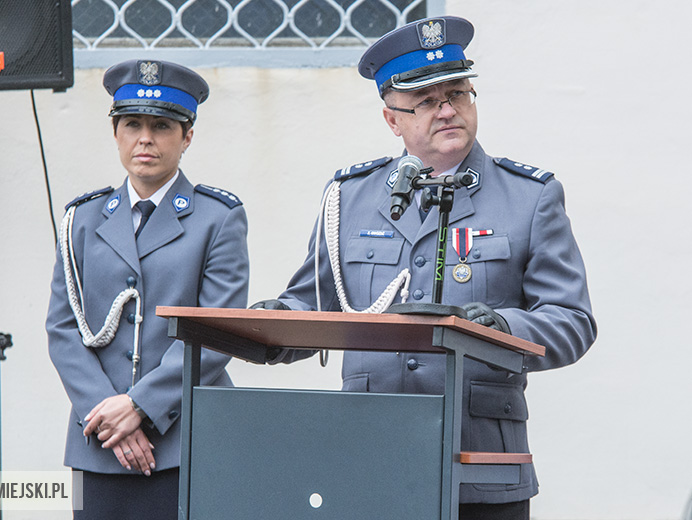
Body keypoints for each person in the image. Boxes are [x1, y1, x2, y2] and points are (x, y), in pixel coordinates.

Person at [251, 16, 596, 519]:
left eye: (457, 94)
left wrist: (503, 327)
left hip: (479, 460)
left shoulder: (530, 198)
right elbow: (316, 302)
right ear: (393, 119)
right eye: (427, 101)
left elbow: (572, 320)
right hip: (368, 455)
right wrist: (270, 326)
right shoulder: (349, 198)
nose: (448, 110)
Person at [45, 59, 249, 519]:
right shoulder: (83, 219)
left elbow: (216, 331)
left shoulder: (218, 219)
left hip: (187, 440)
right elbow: (63, 328)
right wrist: (107, 415)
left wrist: (140, 406)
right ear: (115, 132)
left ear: (187, 136)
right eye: (132, 124)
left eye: (161, 126)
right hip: (99, 441)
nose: (145, 139)